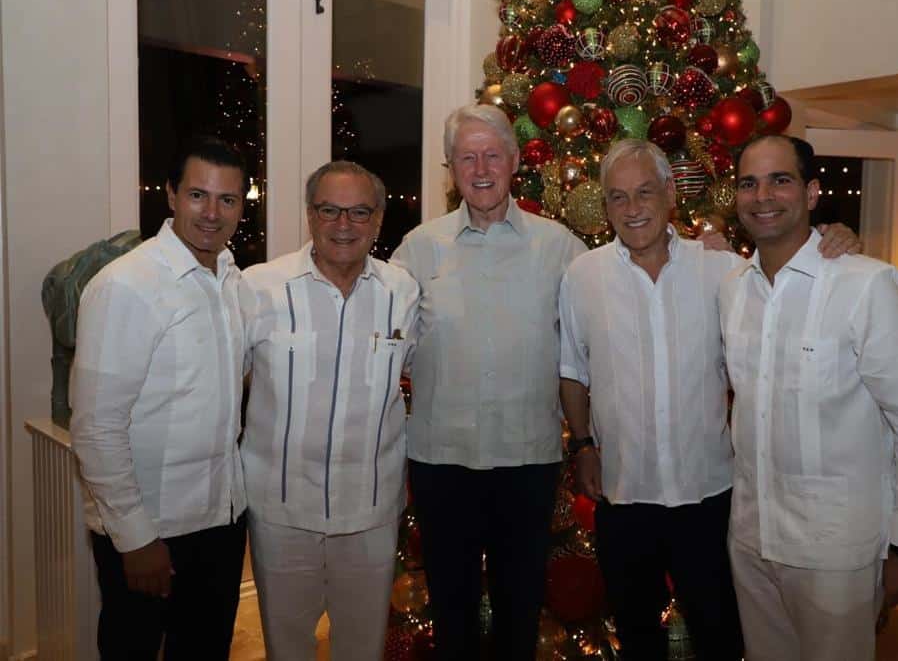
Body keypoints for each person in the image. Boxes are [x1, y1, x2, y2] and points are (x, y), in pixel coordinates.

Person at [558, 138, 861, 661]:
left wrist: (836, 240)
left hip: (711, 496)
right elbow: (571, 371)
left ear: (671, 193)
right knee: (637, 639)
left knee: (721, 634)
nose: (633, 210)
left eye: (645, 193)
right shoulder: (582, 277)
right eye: (618, 197)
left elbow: (787, 297)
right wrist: (583, 443)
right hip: (625, 497)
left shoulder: (722, 270)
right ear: (605, 206)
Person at [720, 135, 898, 660]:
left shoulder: (866, 286)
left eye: (780, 180)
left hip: (835, 551)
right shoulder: (733, 289)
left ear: (812, 193)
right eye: (748, 183)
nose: (763, 195)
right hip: (752, 540)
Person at [389, 103, 587, 660]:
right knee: (451, 611)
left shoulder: (560, 247)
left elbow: (606, 315)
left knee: (519, 608)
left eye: (492, 155)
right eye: (466, 157)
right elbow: (379, 333)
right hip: (441, 460)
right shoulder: (418, 247)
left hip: (527, 462)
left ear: (515, 161)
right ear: (450, 169)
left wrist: (704, 253)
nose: (480, 168)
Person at [70, 135, 249, 660]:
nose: (212, 213)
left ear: (243, 204)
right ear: (170, 194)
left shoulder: (233, 282)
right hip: (152, 531)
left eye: (228, 199)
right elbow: (97, 426)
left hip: (220, 523)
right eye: (198, 195)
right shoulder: (125, 285)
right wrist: (135, 537)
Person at [240, 160, 419, 660]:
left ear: (379, 220)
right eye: (330, 210)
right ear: (310, 215)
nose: (344, 225)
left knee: (362, 650)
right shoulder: (258, 288)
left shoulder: (403, 293)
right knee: (287, 649)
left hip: (370, 511)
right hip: (281, 512)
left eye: (359, 212)